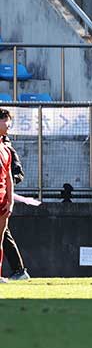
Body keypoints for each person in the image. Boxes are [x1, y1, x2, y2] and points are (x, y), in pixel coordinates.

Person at [1, 133, 29, 281]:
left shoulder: (8, 150)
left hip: (3, 196)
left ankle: (19, 269)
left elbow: (17, 173)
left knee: (4, 234)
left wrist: (7, 186)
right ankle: (18, 269)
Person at [0, 109, 14, 284]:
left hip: (2, 199)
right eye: (6, 121)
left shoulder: (6, 149)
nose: (9, 125)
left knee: (0, 238)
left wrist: (10, 202)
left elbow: (9, 177)